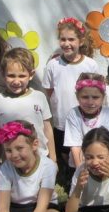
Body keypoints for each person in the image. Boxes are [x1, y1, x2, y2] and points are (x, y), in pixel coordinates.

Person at [42, 17, 98, 173]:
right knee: (65, 150)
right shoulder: (53, 65)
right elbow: (50, 91)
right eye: (63, 39)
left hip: (83, 117)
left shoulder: (90, 64)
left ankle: (84, 170)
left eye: (71, 39)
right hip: (61, 118)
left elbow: (96, 91)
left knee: (82, 146)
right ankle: (68, 171)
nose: (66, 43)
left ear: (81, 41)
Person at [0, 48, 56, 162]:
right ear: (2, 74)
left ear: (31, 75)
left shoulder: (39, 97)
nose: (16, 81)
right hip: (12, 161)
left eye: (21, 76)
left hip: (40, 158)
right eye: (11, 75)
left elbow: (47, 129)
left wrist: (53, 158)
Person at [64, 73, 109, 169]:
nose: (90, 102)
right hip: (80, 162)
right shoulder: (73, 114)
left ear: (103, 97)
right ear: (77, 96)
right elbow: (75, 147)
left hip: (103, 162)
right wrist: (80, 171)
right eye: (85, 97)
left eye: (95, 97)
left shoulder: (108, 113)